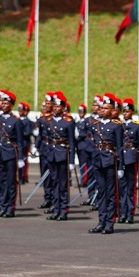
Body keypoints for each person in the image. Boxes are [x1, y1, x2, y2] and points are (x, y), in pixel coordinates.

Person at [88, 94, 124, 234]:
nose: (102, 110)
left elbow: (120, 147)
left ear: (112, 110)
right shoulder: (95, 125)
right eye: (101, 108)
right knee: (101, 192)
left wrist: (121, 167)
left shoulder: (116, 126)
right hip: (98, 160)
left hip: (110, 161)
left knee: (110, 193)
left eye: (105, 108)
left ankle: (110, 223)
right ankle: (101, 222)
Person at [0, 91, 25, 218]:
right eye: (2, 102)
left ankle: (10, 207)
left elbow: (20, 141)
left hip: (10, 153)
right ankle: (3, 206)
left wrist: (20, 158)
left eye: (6, 103)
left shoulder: (16, 121)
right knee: (2, 180)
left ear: (11, 105)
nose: (3, 105)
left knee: (10, 182)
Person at [43, 93, 76, 221]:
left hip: (63, 155)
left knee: (63, 184)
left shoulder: (68, 123)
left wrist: (72, 160)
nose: (55, 108)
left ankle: (63, 210)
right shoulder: (48, 121)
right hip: (51, 155)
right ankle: (56, 209)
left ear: (63, 108)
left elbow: (72, 142)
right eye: (54, 106)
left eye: (58, 106)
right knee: (54, 182)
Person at [118, 98, 139, 224]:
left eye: (128, 111)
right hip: (121, 158)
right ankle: (123, 212)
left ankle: (130, 213)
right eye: (124, 111)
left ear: (132, 112)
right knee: (122, 188)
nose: (125, 113)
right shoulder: (119, 125)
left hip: (132, 157)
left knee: (131, 187)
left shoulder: (137, 126)